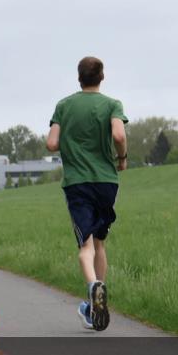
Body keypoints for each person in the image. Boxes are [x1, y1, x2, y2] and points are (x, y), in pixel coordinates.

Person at [46, 56, 128, 332]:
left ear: (79, 77)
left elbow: (51, 143)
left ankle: (93, 291)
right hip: (106, 181)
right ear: (101, 77)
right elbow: (118, 135)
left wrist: (71, 143)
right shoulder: (112, 105)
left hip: (77, 182)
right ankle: (97, 303)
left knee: (85, 247)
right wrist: (123, 157)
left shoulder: (64, 105)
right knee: (101, 243)